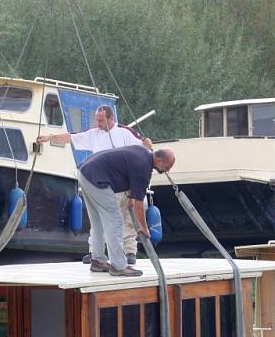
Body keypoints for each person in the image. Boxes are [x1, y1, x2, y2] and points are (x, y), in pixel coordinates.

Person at [37, 105, 151, 265]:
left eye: (101, 120)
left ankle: (130, 251)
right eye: (97, 120)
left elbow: (144, 147)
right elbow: (71, 137)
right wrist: (50, 138)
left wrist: (147, 144)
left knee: (126, 219)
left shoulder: (124, 132)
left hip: (124, 183)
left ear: (111, 119)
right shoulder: (93, 134)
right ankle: (95, 252)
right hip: (105, 183)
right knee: (100, 218)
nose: (98, 124)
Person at [77, 146, 175, 277]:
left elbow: (127, 172)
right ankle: (118, 266)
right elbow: (139, 205)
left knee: (98, 221)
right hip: (96, 179)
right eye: (167, 166)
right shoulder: (143, 167)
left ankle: (98, 261)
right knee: (115, 221)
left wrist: (131, 197)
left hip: (84, 173)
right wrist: (144, 228)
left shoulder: (142, 154)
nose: (168, 170)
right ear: (158, 159)